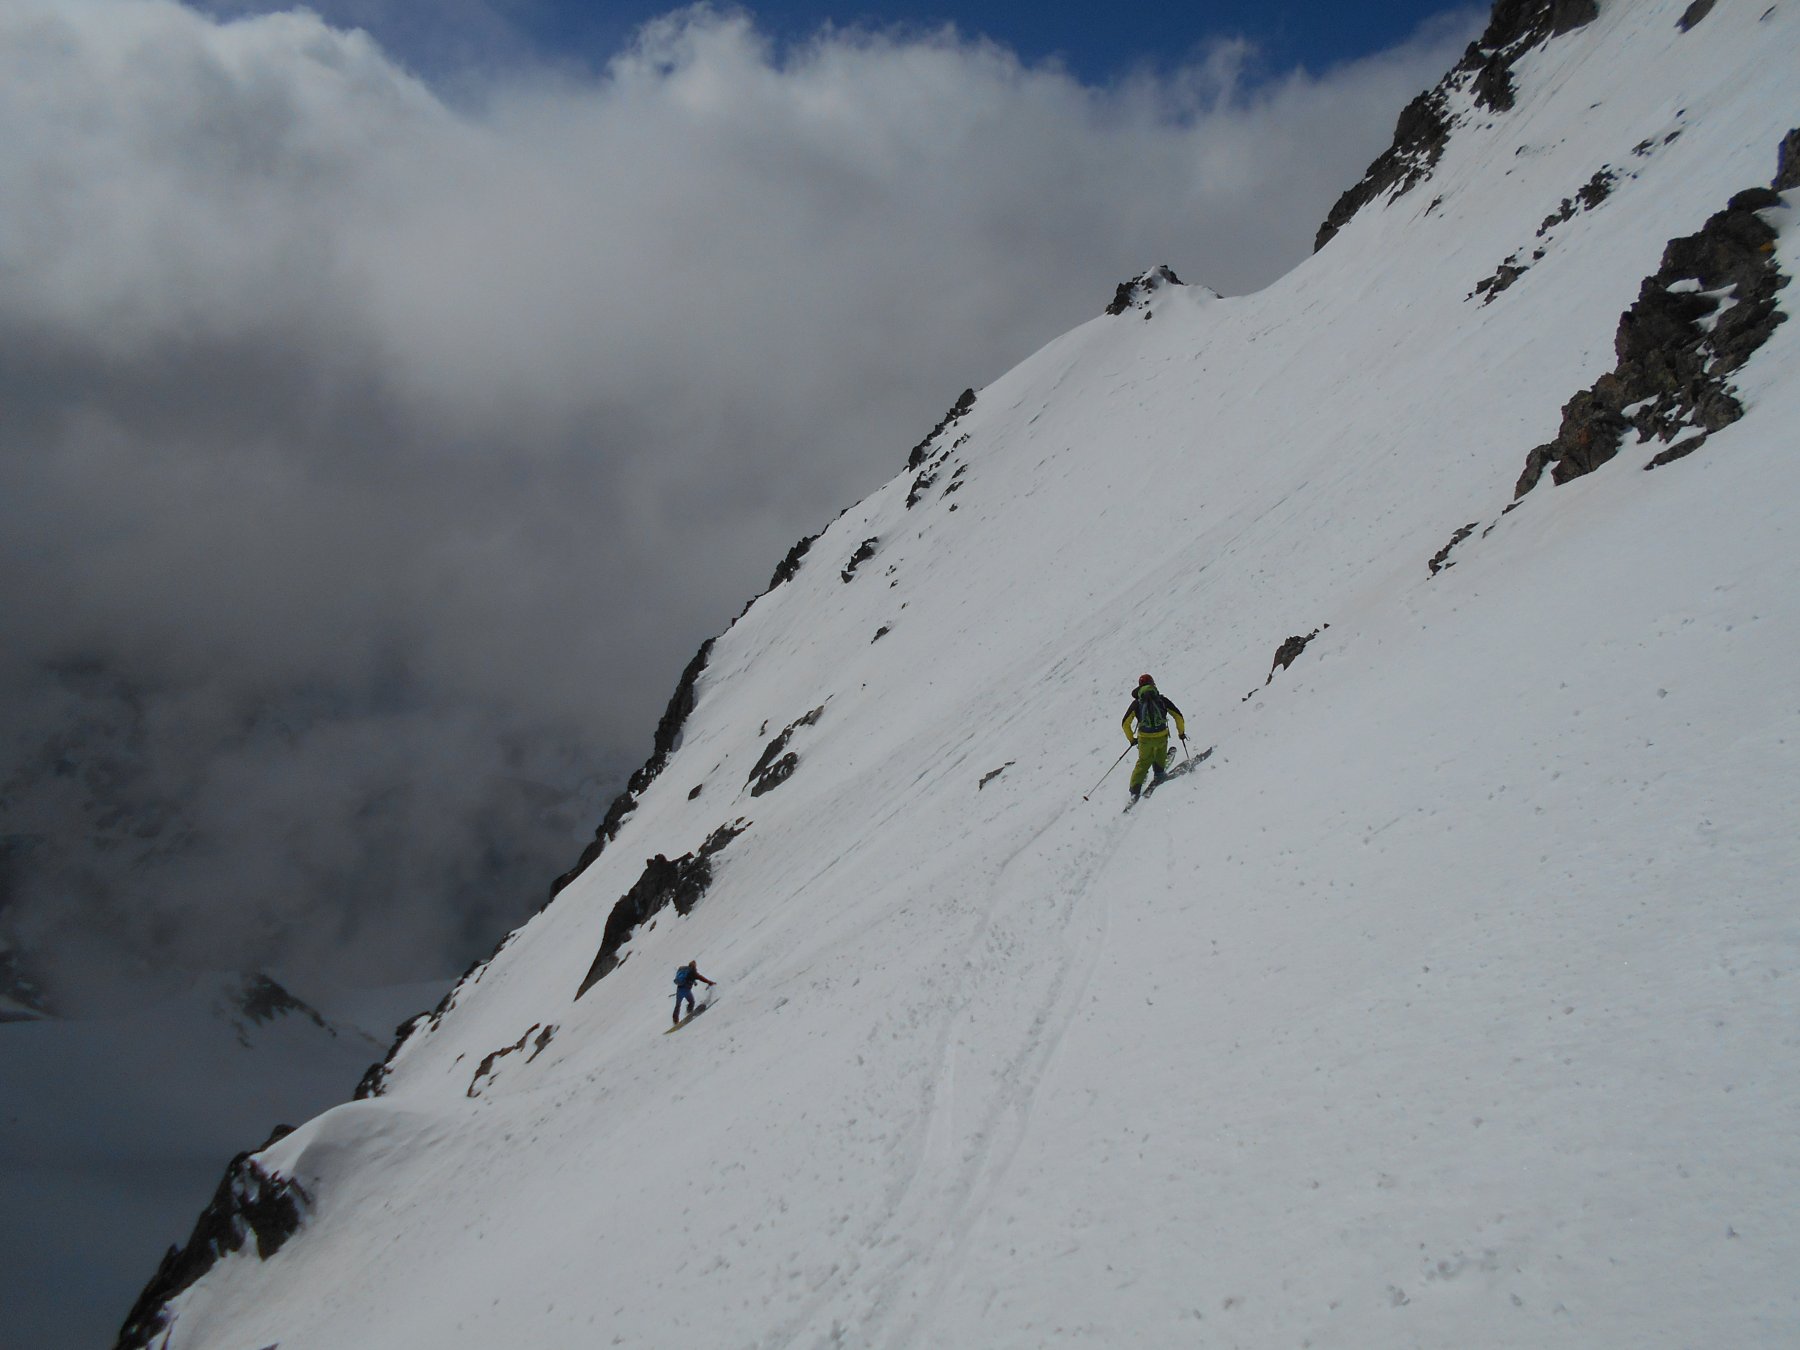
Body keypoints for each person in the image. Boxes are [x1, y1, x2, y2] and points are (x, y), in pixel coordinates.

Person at [1121, 673, 1187, 802]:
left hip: (1144, 738)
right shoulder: (1161, 700)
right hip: (1161, 735)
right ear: (1153, 684)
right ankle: (1159, 773)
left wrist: (1132, 740)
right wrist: (1181, 733)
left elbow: (1125, 724)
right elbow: (1178, 716)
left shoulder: (1137, 703)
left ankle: (1135, 792)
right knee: (1159, 756)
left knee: (1143, 762)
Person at [673, 960, 715, 1025]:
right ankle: (689, 1013)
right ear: (694, 966)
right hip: (686, 990)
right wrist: (709, 982)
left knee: (678, 1005)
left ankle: (675, 1021)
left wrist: (693, 981)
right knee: (691, 1001)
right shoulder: (693, 972)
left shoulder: (684, 970)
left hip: (679, 990)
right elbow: (701, 978)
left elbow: (689, 978)